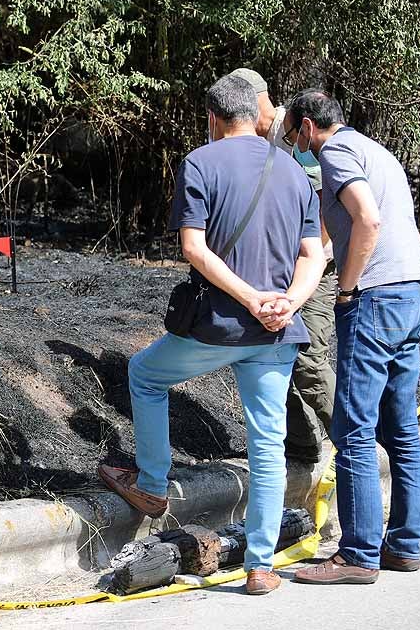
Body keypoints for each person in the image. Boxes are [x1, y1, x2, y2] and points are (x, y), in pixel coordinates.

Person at [98, 73, 325, 596]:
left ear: (212, 118)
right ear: (258, 112)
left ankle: (152, 487)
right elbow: (313, 255)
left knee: (145, 374)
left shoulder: (201, 162)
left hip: (220, 326)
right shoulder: (293, 169)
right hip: (277, 331)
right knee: (267, 445)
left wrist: (249, 301)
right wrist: (287, 302)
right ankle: (261, 565)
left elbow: (195, 250)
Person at [288, 90, 420, 586]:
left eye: (292, 135)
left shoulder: (334, 153)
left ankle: (357, 554)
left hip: (376, 299)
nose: (294, 144)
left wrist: (347, 289)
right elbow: (342, 231)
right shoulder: (376, 150)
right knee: (401, 428)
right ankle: (404, 546)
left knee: (353, 430)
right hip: (413, 293)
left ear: (308, 127)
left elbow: (368, 221)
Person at [231, 69, 337, 464]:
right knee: (275, 354)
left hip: (316, 268)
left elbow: (327, 200)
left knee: (309, 364)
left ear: (255, 100)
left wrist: (310, 260)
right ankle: (304, 446)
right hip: (279, 267)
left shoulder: (291, 134)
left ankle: (358, 447)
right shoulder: (255, 141)